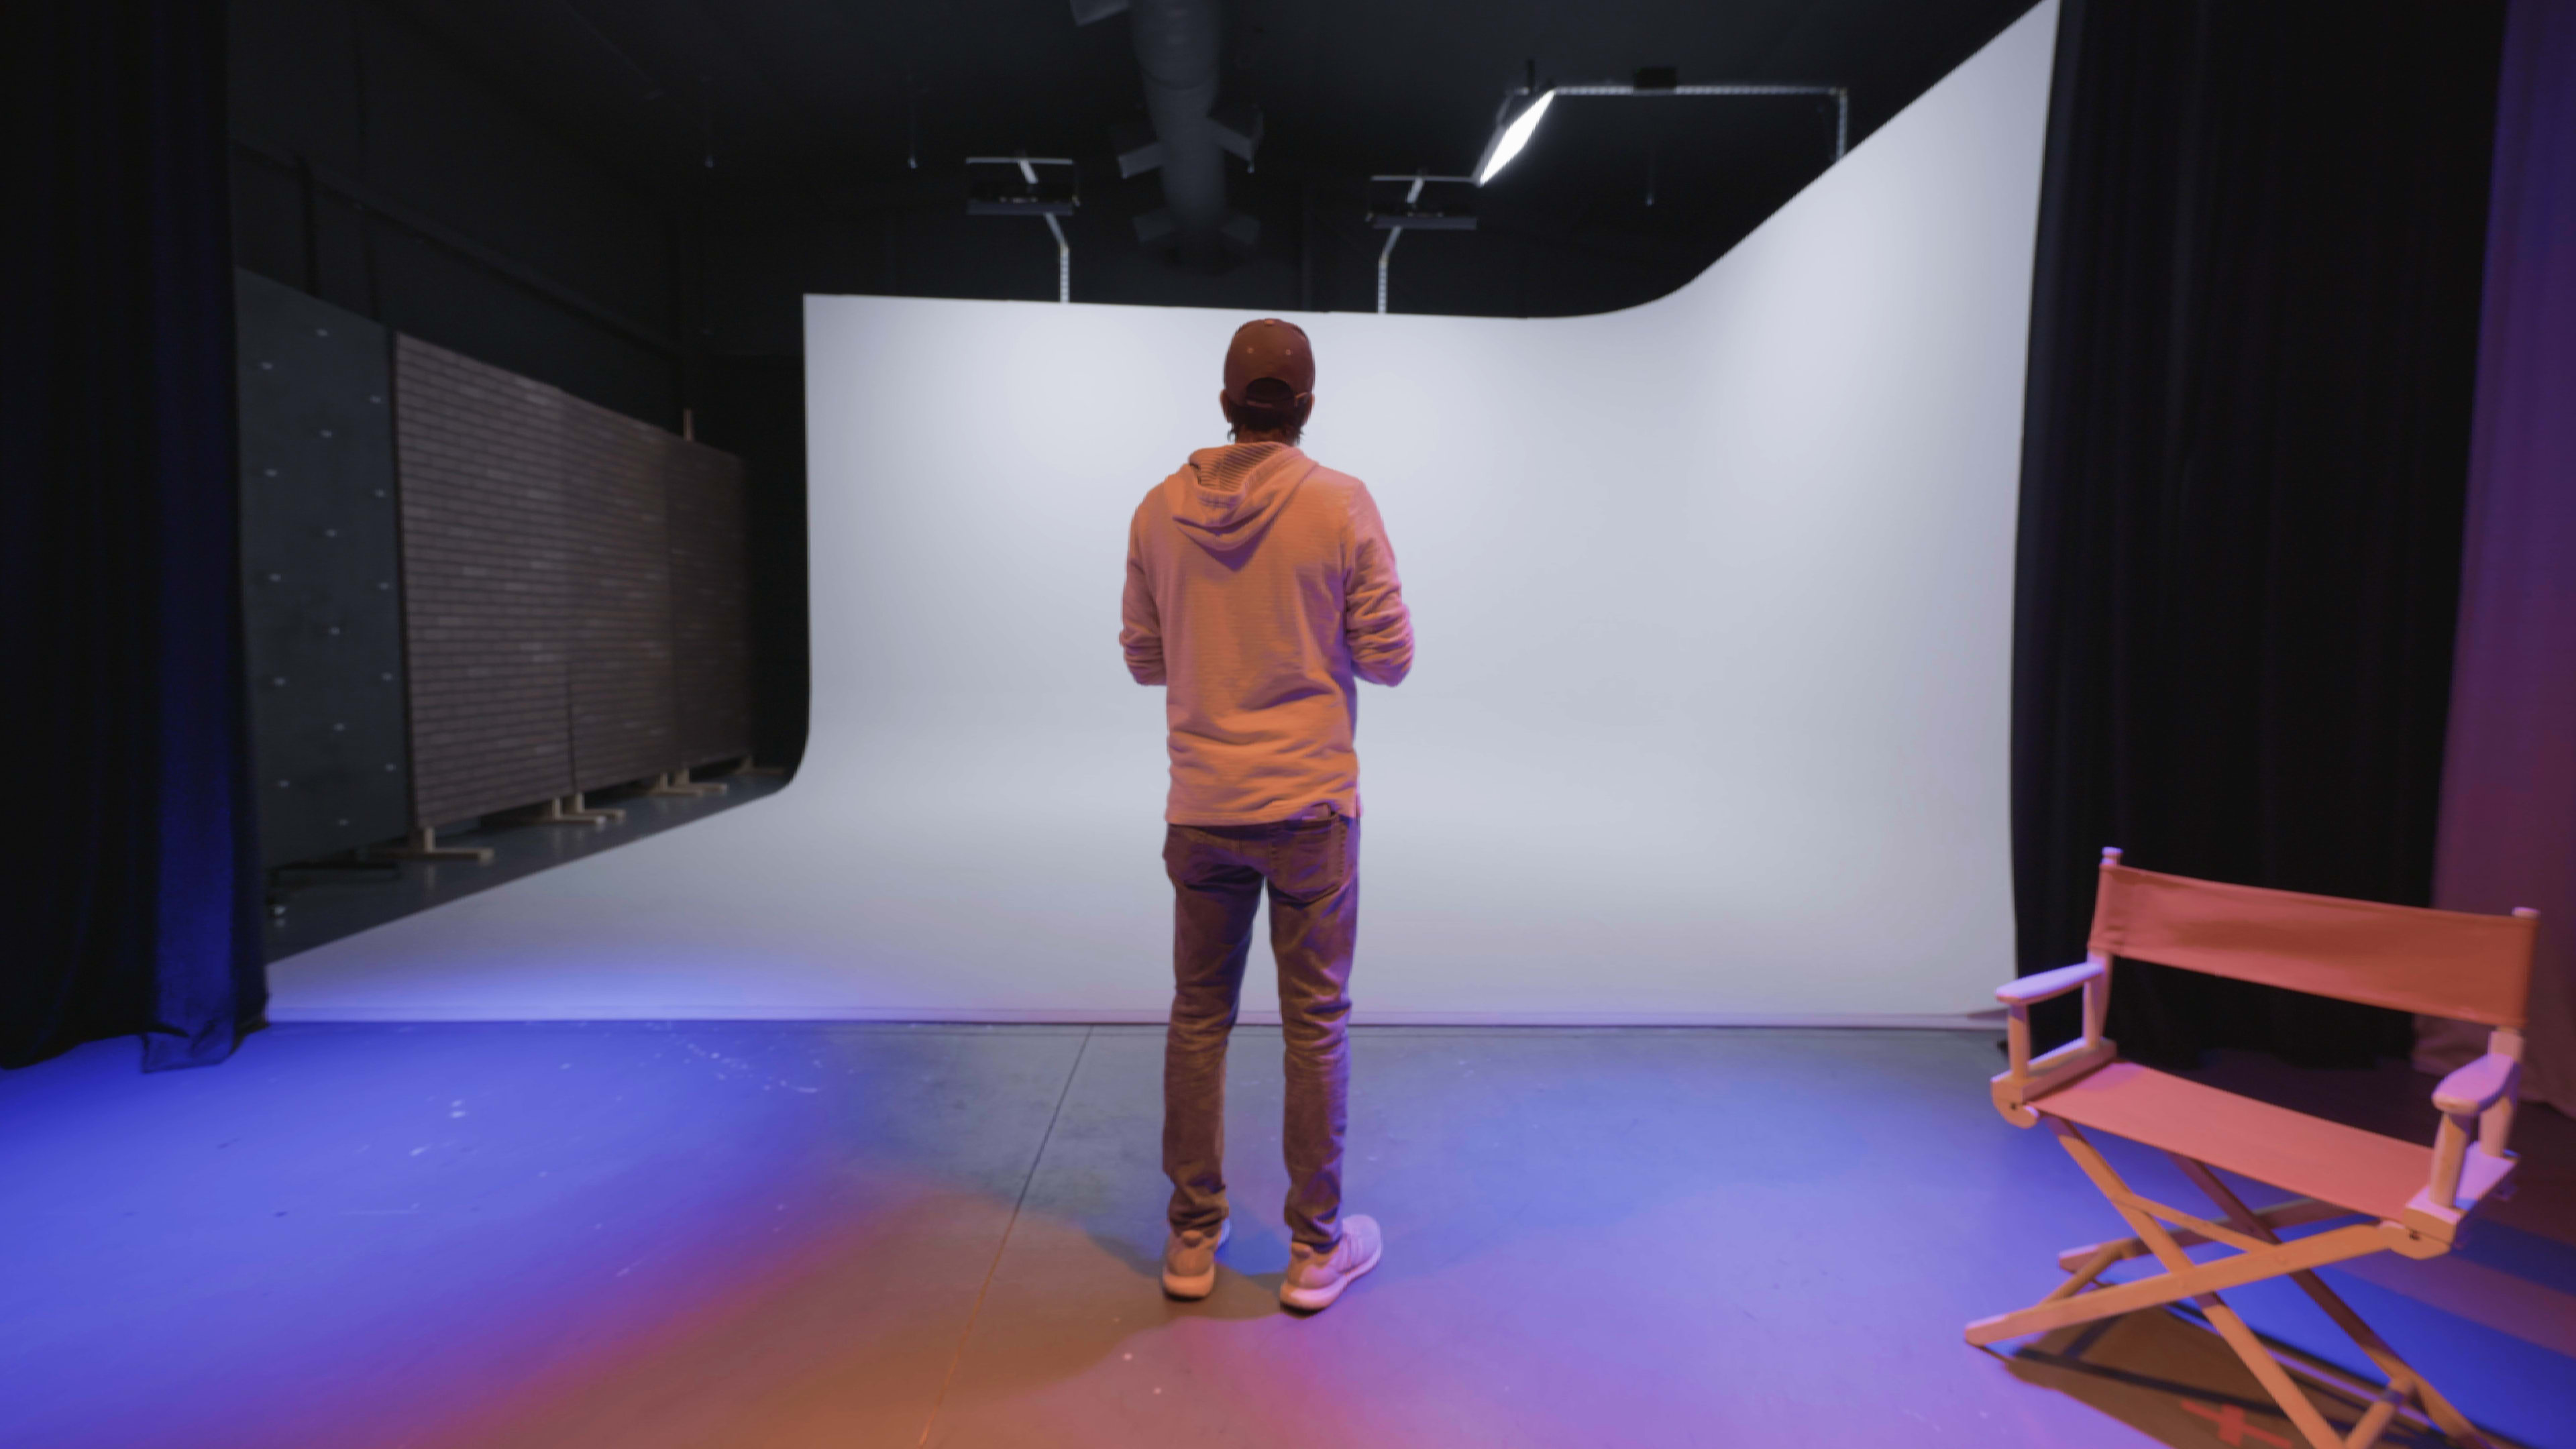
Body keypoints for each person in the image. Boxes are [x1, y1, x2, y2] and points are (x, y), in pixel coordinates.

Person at [1120, 318, 1414, 1312]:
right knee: (1314, 1024)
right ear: (1308, 409)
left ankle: (1193, 1244)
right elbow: (1391, 655)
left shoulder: (1158, 511)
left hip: (1202, 806)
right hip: (1310, 811)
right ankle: (1313, 1252)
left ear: (1223, 406)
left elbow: (1144, 656)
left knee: (1198, 1018)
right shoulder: (1340, 504)